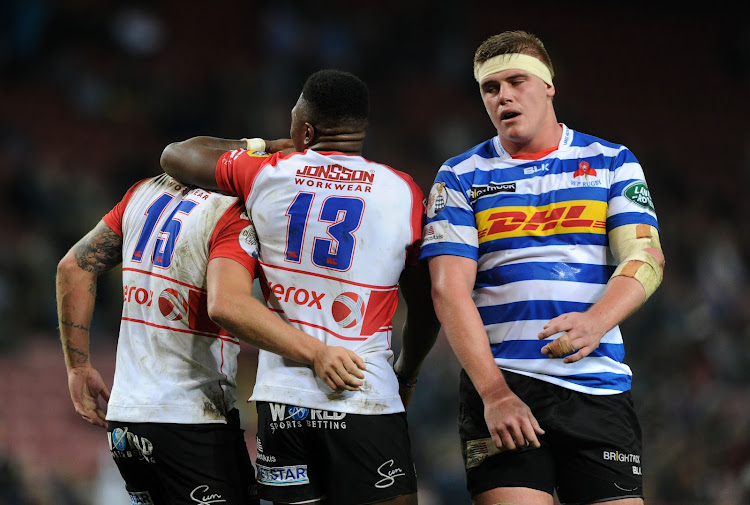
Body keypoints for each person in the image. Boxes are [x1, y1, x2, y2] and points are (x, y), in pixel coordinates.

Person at [160, 68, 440, 505]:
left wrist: (265, 146)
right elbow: (426, 307)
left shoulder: (266, 173)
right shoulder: (403, 191)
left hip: (283, 403)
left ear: (304, 129)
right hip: (364, 395)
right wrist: (407, 373)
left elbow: (178, 155)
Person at [419, 31, 665, 505]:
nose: (503, 96)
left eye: (516, 81)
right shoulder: (459, 175)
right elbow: (448, 291)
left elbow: (646, 259)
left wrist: (597, 321)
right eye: (491, 89)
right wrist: (493, 392)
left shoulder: (611, 161)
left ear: (548, 86)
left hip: (596, 384)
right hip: (503, 383)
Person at [56, 171, 365, 504]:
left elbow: (73, 267)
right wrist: (317, 353)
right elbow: (227, 305)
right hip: (190, 417)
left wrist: (78, 367)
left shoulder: (142, 193)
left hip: (126, 421)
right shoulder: (231, 210)